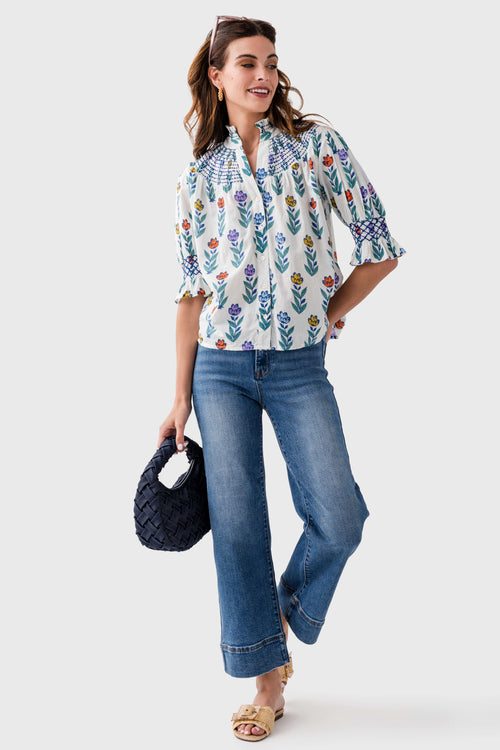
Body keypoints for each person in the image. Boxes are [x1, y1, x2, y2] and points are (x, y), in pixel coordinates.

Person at [158, 16, 406, 742]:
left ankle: (275, 626)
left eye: (270, 61)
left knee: (340, 517)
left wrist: (326, 312)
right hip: (220, 367)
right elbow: (190, 296)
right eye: (246, 63)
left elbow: (380, 248)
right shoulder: (199, 176)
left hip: (299, 365)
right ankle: (266, 678)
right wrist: (178, 397)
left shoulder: (317, 146)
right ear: (217, 77)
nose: (263, 75)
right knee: (238, 525)